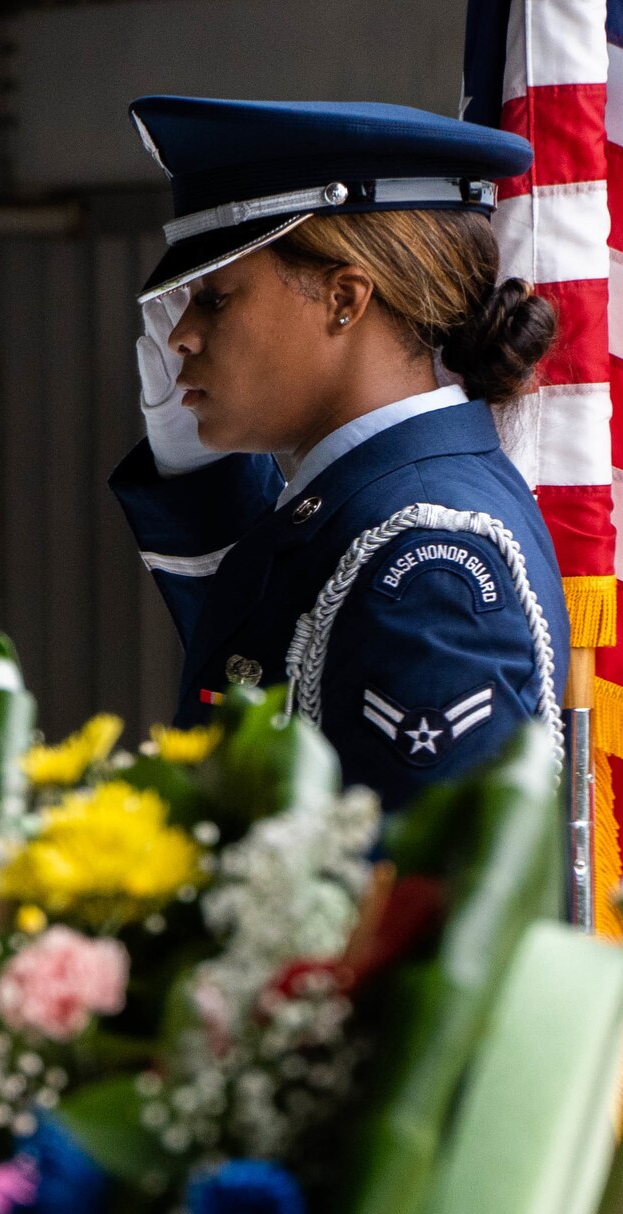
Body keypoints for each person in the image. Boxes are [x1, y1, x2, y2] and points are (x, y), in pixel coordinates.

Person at [110, 97, 570, 808]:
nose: (182, 336)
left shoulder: (430, 560)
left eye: (217, 298)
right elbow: (271, 649)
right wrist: (196, 471)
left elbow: (418, 905)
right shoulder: (384, 505)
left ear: (344, 299)